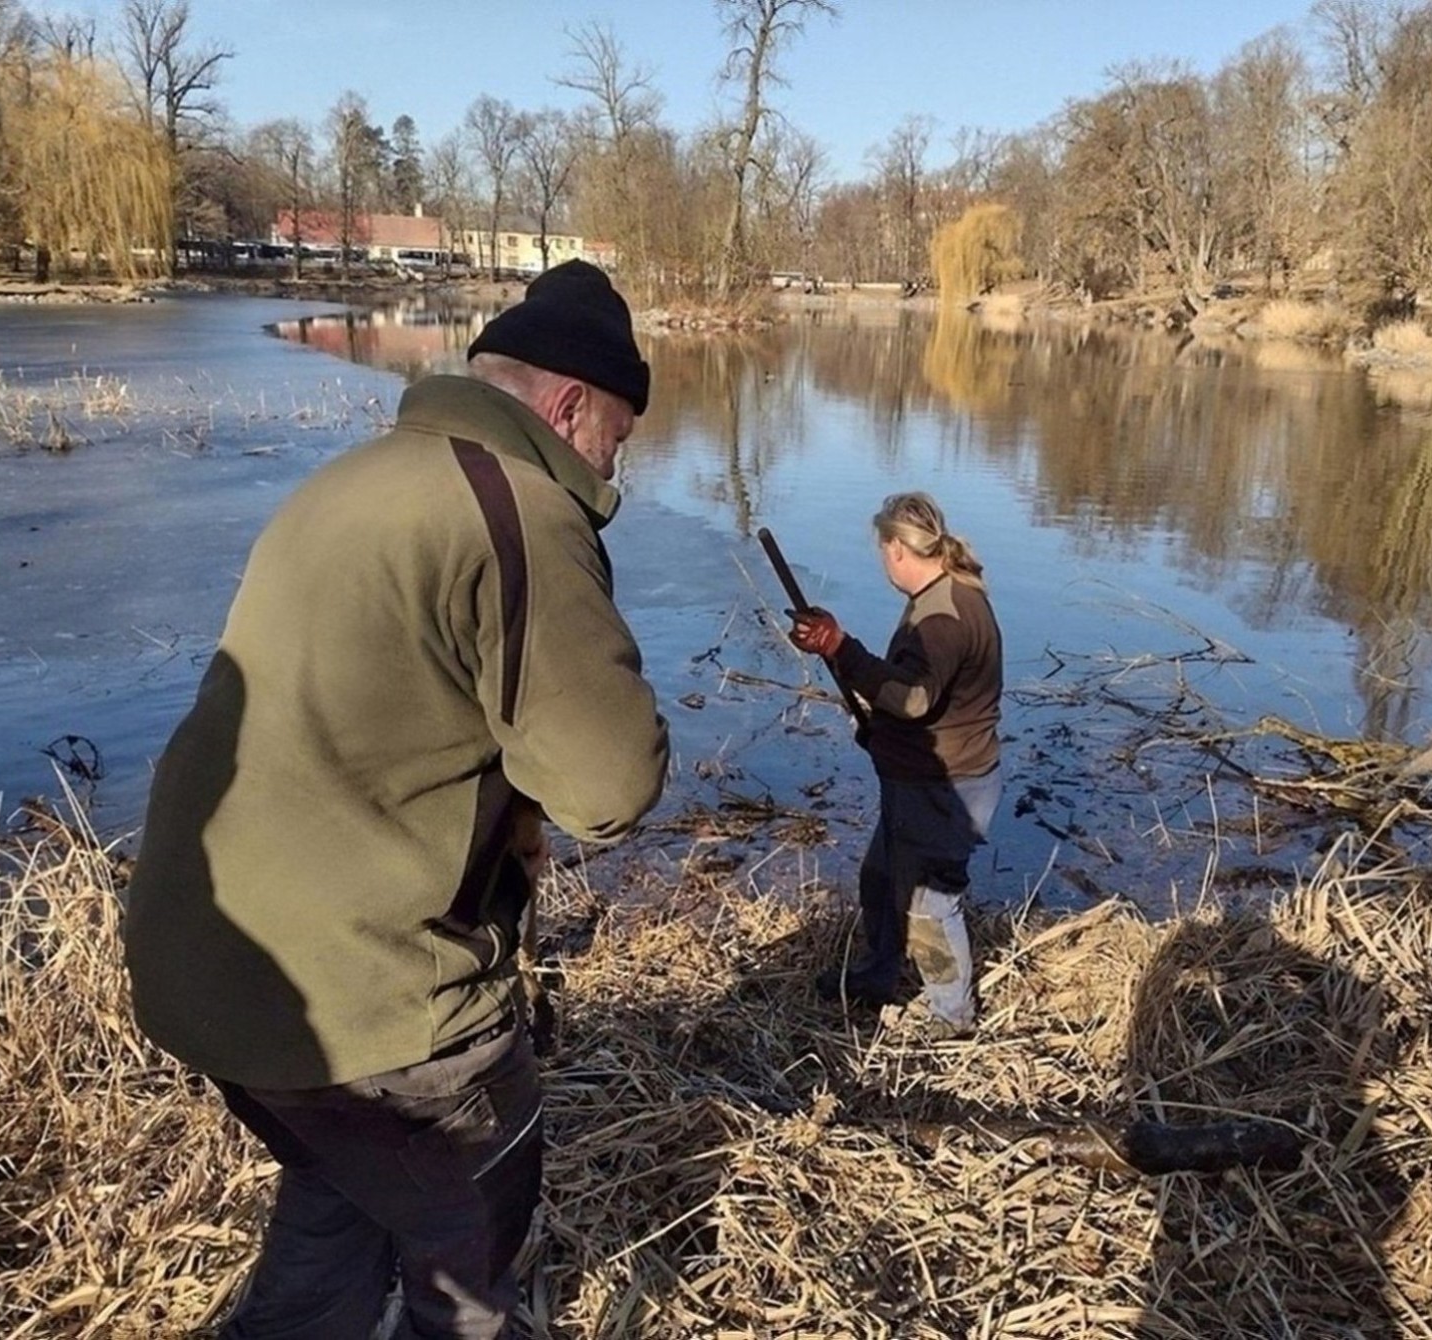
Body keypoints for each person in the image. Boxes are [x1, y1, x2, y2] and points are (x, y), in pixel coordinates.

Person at [122, 259, 670, 1340]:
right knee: (463, 1265)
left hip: (209, 969)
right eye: (619, 434)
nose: (617, 463)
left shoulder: (354, 479)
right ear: (570, 407)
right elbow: (611, 786)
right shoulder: (519, 511)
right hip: (378, 1010)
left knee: (341, 1192)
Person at [789, 491, 1002, 1034]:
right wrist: (878, 727)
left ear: (896, 548)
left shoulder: (943, 616)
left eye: (881, 549)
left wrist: (842, 648)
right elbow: (920, 699)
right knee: (882, 878)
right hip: (926, 778)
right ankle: (877, 975)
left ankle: (952, 1017)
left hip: (947, 786)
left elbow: (913, 699)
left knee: (931, 902)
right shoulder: (946, 592)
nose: (882, 560)